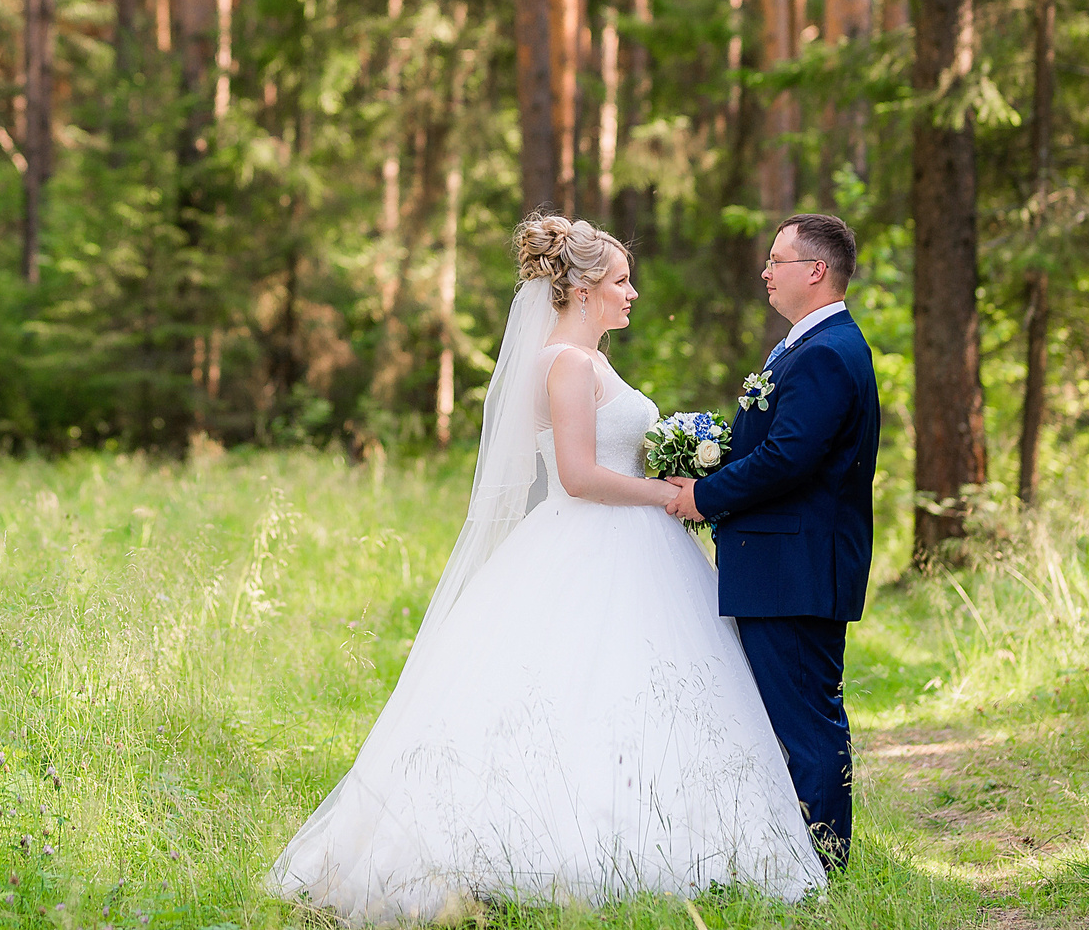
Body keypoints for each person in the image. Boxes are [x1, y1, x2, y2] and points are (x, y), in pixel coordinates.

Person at [268, 216, 825, 922]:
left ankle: (665, 832)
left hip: (633, 542)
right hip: (594, 536)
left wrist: (680, 465)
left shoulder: (587, 357)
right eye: (621, 280)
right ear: (585, 289)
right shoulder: (565, 361)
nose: (632, 291)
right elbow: (579, 474)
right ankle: (551, 848)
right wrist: (668, 492)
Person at [663, 212, 881, 870]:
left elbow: (789, 457)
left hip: (797, 567)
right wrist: (707, 462)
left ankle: (824, 862)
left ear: (815, 270)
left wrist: (701, 496)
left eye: (776, 259)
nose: (765, 270)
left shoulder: (827, 352)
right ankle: (794, 856)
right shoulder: (803, 347)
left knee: (805, 723)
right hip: (783, 564)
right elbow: (773, 445)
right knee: (784, 719)